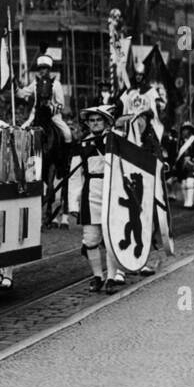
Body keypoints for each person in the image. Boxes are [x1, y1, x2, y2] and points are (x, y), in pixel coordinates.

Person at [68, 104, 120, 293]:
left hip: (111, 192)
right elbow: (75, 176)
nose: (95, 123)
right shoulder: (81, 145)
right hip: (90, 194)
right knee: (90, 240)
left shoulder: (116, 140)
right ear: (87, 123)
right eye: (92, 120)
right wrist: (73, 202)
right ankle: (98, 276)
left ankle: (112, 278)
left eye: (99, 120)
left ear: (106, 122)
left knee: (111, 238)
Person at [18, 55, 71, 142]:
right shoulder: (36, 83)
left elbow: (61, 105)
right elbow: (23, 93)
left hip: (54, 117)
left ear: (49, 69)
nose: (41, 71)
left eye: (44, 68)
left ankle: (68, 155)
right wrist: (15, 87)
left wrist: (50, 107)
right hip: (35, 116)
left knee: (67, 134)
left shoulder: (56, 84)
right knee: (21, 132)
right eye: (40, 69)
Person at [176, 119, 194, 208]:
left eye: (187, 130)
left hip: (192, 164)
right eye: (183, 130)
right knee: (184, 184)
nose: (185, 132)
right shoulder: (179, 142)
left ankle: (190, 202)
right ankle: (186, 200)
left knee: (190, 183)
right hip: (182, 165)